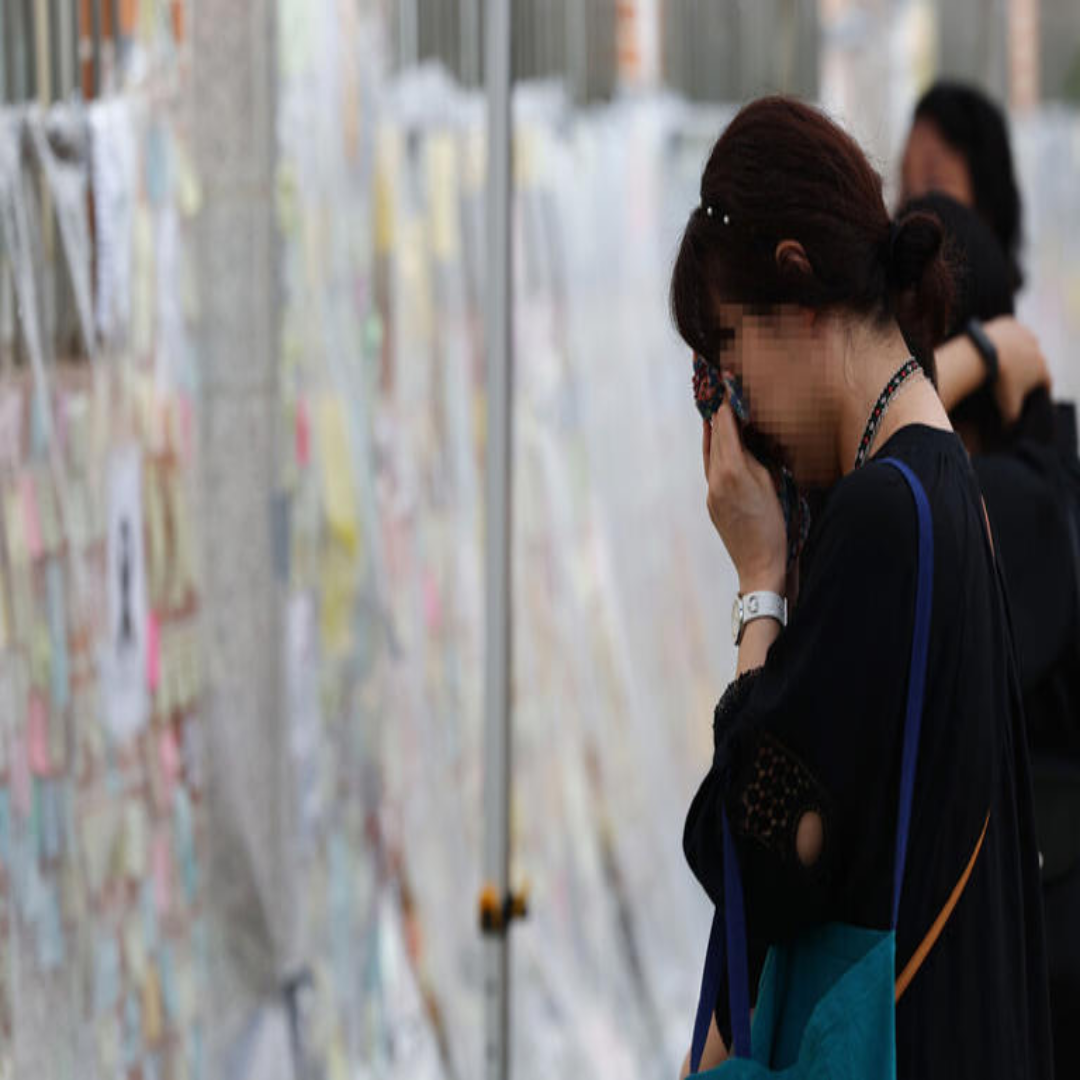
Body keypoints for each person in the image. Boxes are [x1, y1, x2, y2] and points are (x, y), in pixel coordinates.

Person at [671, 97, 1053, 1078]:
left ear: (796, 285)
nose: (740, 408)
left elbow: (749, 861)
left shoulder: (886, 517)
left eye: (731, 359)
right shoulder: (938, 485)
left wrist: (760, 587)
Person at [904, 190, 1080, 1080]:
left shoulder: (997, 502)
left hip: (1045, 950)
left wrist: (971, 355)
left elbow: (880, 437)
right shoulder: (1044, 473)